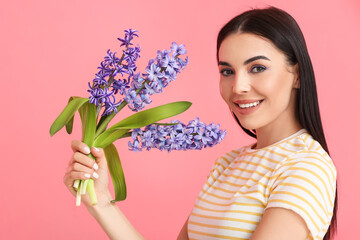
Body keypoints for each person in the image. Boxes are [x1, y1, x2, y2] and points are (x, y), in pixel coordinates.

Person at [63, 6, 338, 240]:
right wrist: (99, 200)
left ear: (297, 75)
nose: (238, 86)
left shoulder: (306, 167)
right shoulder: (228, 164)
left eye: (257, 68)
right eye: (227, 71)